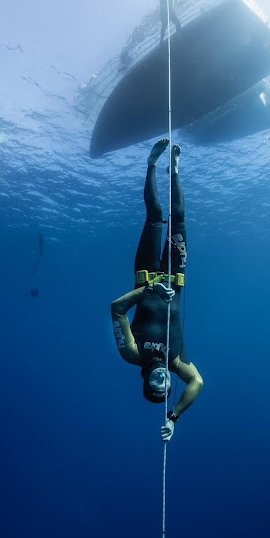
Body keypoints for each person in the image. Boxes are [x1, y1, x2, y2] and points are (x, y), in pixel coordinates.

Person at [111, 140, 203, 442]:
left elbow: (117, 308)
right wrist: (174, 417)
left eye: (156, 383)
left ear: (146, 381)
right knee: (178, 216)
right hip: (177, 274)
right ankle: (175, 169)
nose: (163, 378)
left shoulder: (132, 353)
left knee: (155, 213)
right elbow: (197, 383)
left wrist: (149, 288)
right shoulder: (177, 362)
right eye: (165, 385)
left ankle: (151, 163)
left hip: (147, 271)